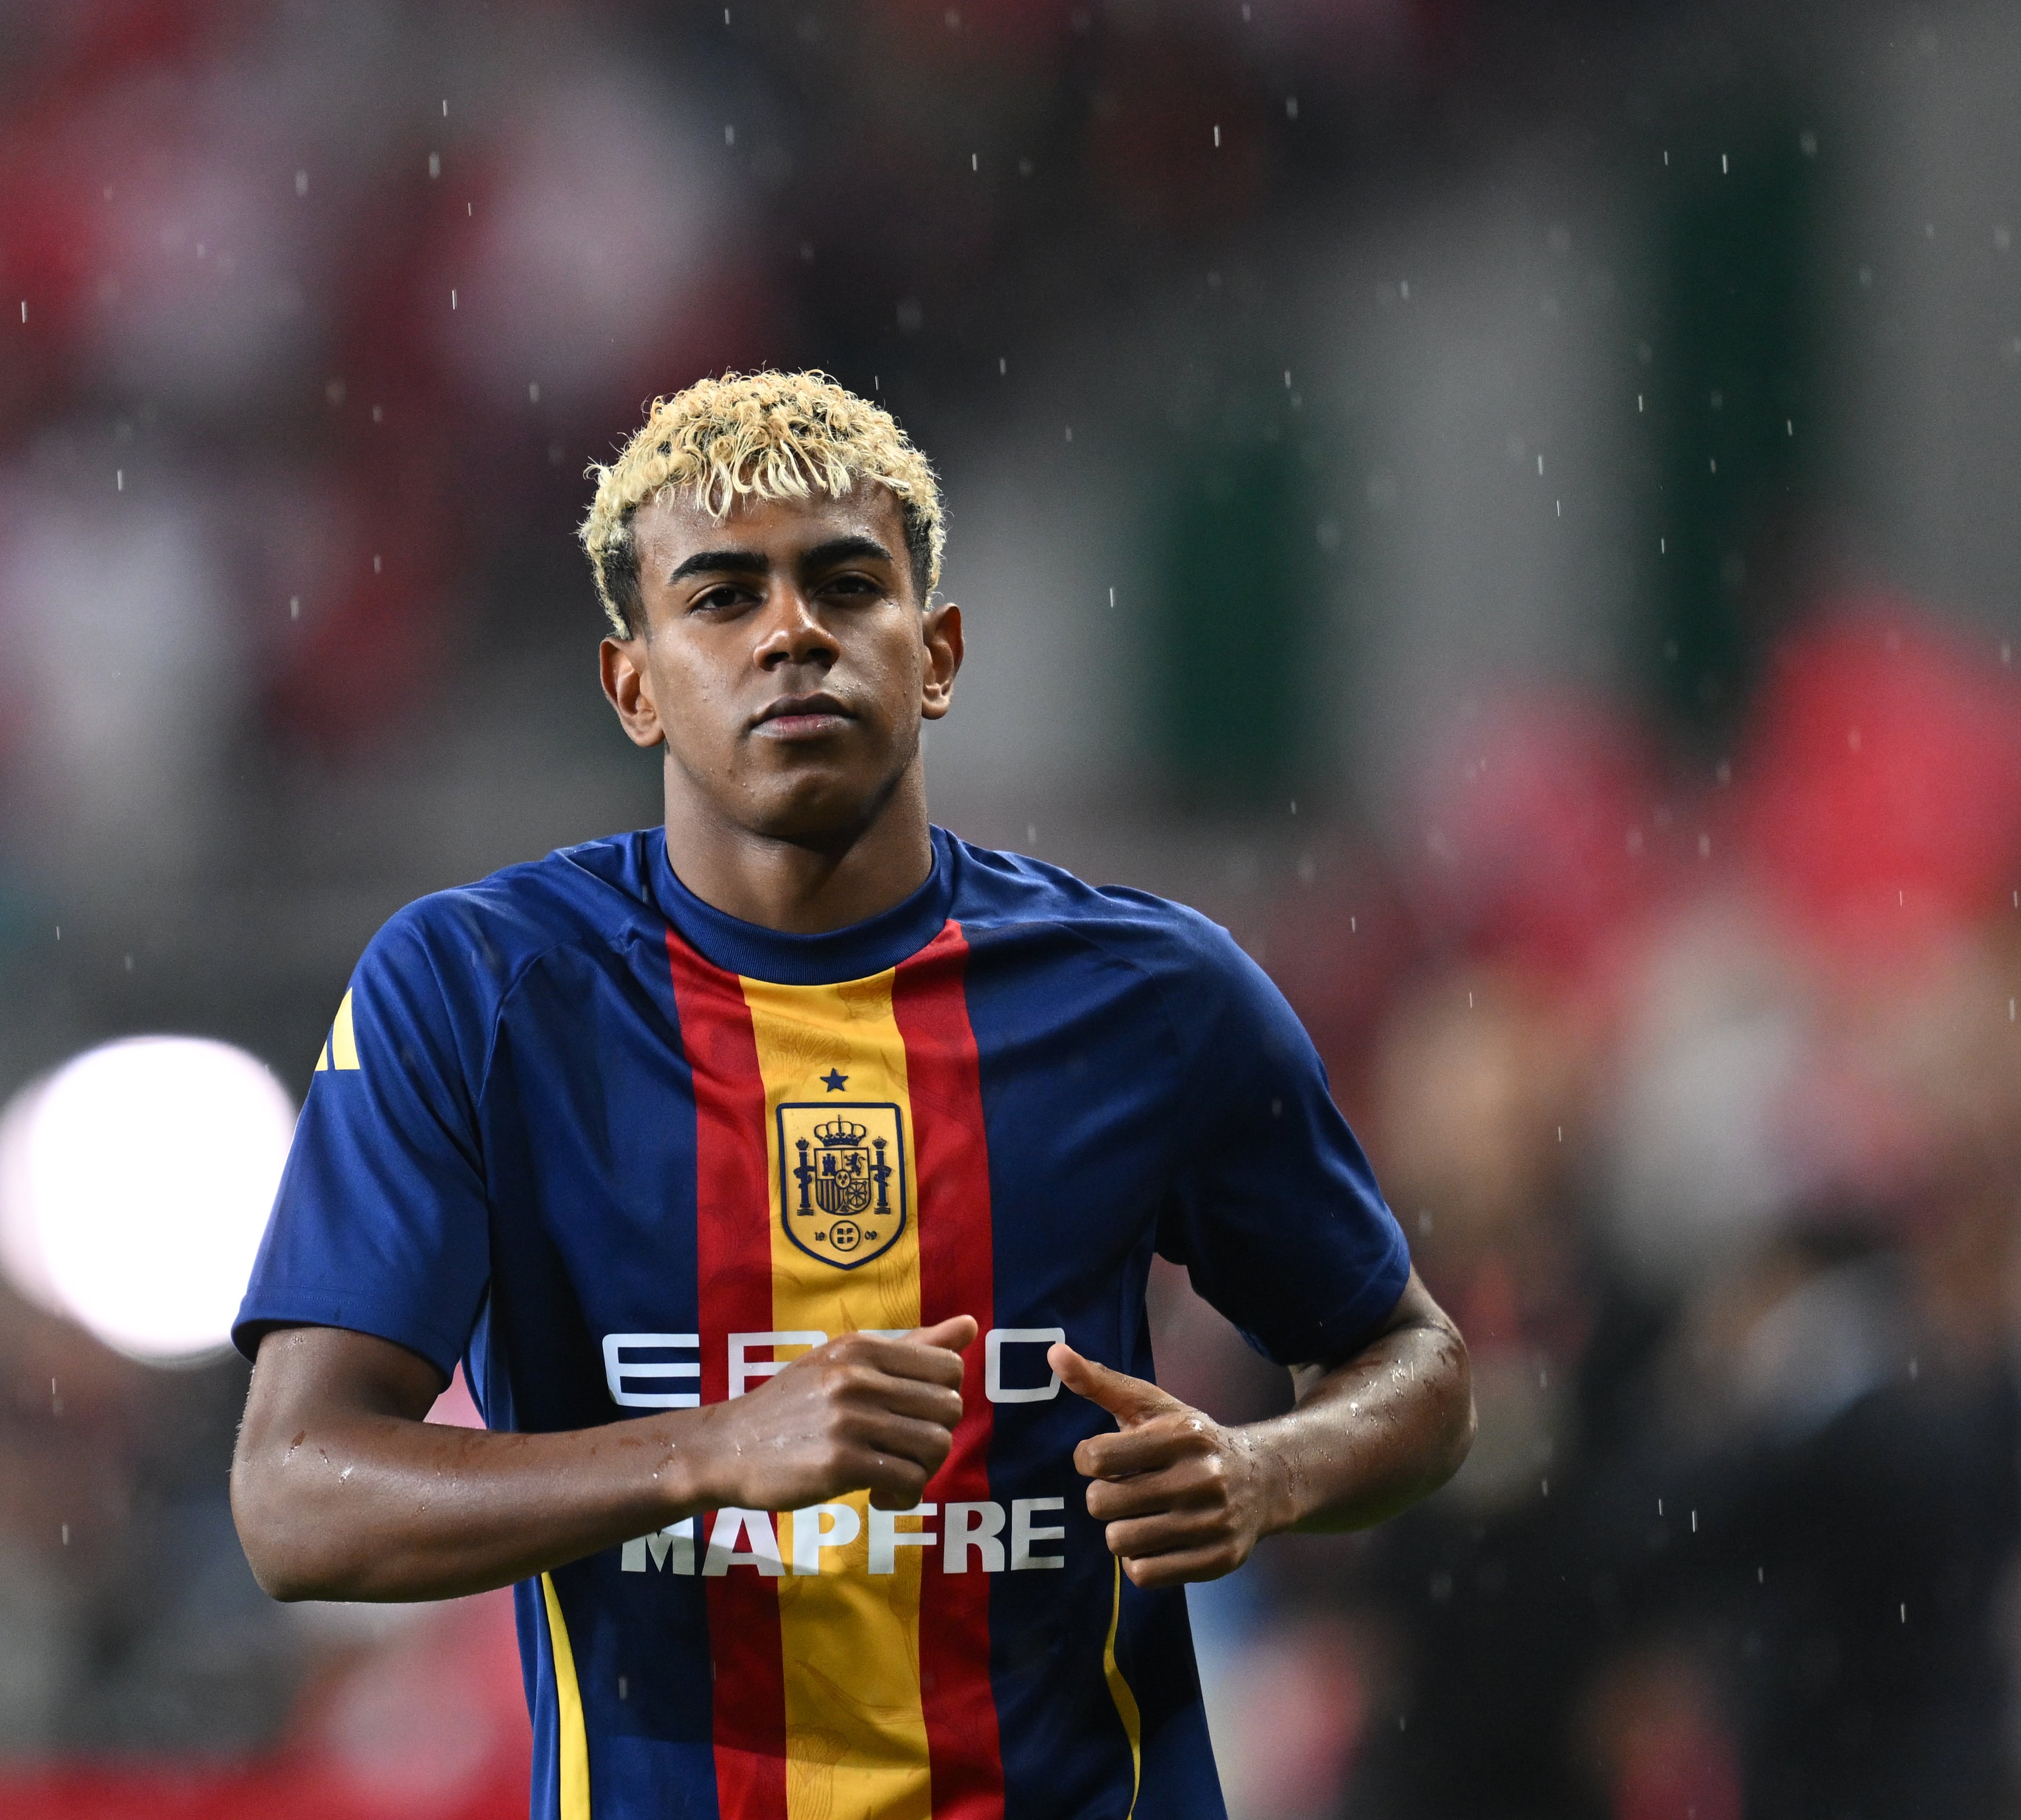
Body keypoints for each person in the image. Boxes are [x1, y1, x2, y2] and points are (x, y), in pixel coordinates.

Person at [229, 370, 1473, 1820]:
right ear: (631, 683)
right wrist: (708, 1447)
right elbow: (297, 1496)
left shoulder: (1154, 993)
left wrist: (1267, 1470)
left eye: (843, 583)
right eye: (720, 596)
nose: (793, 633)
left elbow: (1417, 1370)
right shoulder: (475, 992)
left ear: (933, 652)